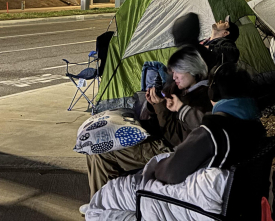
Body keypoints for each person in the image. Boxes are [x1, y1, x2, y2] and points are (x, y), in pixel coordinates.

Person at [85, 63, 265, 221]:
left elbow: (168, 174)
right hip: (229, 205)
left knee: (103, 203)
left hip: (189, 206)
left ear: (214, 93)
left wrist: (158, 164)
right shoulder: (254, 127)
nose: (174, 75)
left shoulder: (212, 132)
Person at [80, 46, 211, 213]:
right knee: (97, 147)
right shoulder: (181, 88)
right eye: (173, 72)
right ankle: (101, 201)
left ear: (192, 70)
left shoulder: (201, 97)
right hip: (157, 139)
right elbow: (156, 120)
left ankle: (99, 206)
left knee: (102, 153)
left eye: (178, 72)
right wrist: (151, 105)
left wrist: (161, 107)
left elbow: (177, 137)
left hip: (168, 148)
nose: (174, 76)